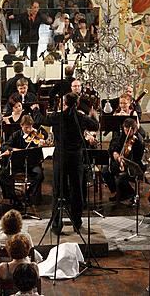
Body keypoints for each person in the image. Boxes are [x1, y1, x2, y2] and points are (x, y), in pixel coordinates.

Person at [42, 92, 99, 234]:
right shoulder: (80, 116)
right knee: (77, 190)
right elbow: (95, 126)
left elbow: (42, 119)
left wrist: (36, 109)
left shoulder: (58, 116)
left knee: (58, 190)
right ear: (77, 103)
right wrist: (92, 113)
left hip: (61, 157)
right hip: (76, 157)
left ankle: (56, 224)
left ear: (65, 103)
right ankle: (77, 222)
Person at [0, 115, 46, 206]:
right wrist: (15, 150)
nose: (29, 130)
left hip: (31, 164)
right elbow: (4, 146)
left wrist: (40, 141)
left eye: (30, 127)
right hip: (17, 163)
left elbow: (45, 134)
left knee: (39, 175)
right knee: (2, 176)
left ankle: (28, 195)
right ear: (21, 125)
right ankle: (14, 198)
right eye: (26, 127)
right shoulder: (16, 135)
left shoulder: (35, 135)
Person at [103, 117, 145, 203]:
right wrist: (115, 153)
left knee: (121, 178)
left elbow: (137, 158)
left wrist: (125, 160)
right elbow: (115, 144)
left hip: (133, 165)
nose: (126, 133)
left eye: (128, 131)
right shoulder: (123, 135)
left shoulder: (139, 141)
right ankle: (118, 192)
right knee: (105, 171)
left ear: (134, 129)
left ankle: (130, 193)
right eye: (125, 130)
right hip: (122, 161)